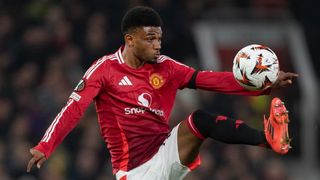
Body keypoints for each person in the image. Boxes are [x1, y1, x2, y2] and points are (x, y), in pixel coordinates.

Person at [27, 6, 298, 180]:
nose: (157, 45)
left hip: (165, 152)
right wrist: (45, 146)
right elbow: (73, 109)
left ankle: (269, 139)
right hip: (133, 172)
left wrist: (265, 84)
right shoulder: (104, 70)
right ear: (130, 40)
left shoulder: (166, 67)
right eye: (150, 39)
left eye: (159, 38)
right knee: (199, 122)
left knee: (200, 121)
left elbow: (209, 80)